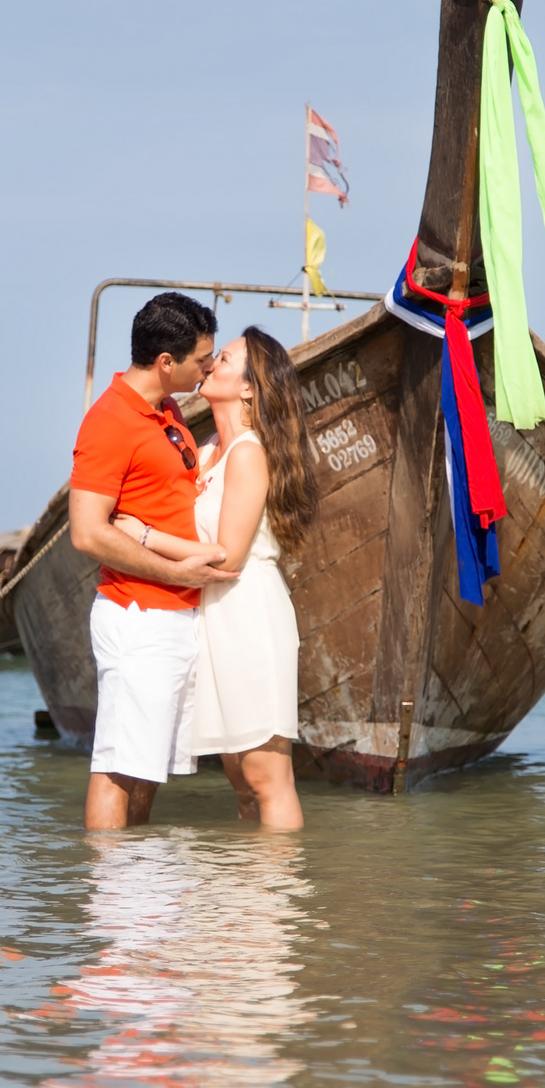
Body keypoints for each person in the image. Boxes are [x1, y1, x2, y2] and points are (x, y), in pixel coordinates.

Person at [112, 326, 318, 830]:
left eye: (222, 359)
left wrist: (144, 538)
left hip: (247, 613)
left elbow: (227, 558)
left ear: (249, 387)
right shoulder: (206, 452)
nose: (209, 364)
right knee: (240, 780)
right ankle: (245, 901)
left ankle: (277, 897)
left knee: (267, 778)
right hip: (212, 615)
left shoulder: (249, 453)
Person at [68, 292, 238, 832]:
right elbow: (87, 532)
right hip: (139, 613)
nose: (207, 367)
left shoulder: (165, 410)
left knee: (148, 770)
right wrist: (175, 572)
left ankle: (139, 895)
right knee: (119, 766)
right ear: (167, 362)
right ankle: (114, 905)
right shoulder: (111, 420)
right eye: (201, 360)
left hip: (172, 614)